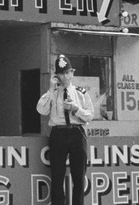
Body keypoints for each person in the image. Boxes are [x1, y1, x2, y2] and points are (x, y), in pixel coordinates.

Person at [36, 54, 94, 205]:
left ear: (72, 73)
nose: (66, 76)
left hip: (77, 132)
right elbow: (41, 110)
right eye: (62, 73)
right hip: (59, 134)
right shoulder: (52, 93)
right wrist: (50, 89)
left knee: (79, 177)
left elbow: (90, 116)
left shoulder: (81, 93)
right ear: (57, 76)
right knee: (57, 176)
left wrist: (76, 109)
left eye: (68, 72)